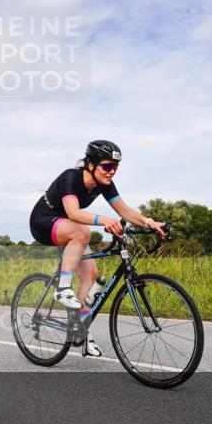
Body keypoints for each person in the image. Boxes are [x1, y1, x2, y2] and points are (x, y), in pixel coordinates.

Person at [29, 140, 169, 356]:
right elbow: (74, 213)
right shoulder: (71, 177)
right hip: (43, 222)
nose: (112, 172)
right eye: (107, 166)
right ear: (91, 164)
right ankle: (62, 289)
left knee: (92, 276)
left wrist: (150, 223)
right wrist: (104, 220)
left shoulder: (104, 184)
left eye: (115, 167)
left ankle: (80, 331)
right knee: (82, 231)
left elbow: (125, 211)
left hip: (68, 228)